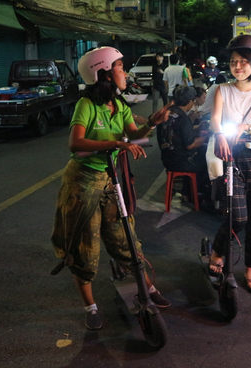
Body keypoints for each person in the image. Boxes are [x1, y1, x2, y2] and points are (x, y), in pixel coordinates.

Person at [51, 46, 173, 331]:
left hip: (110, 180)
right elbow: (76, 143)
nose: (124, 71)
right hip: (81, 182)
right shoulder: (86, 106)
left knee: (126, 239)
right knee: (85, 248)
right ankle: (90, 307)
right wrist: (116, 144)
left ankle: (147, 289)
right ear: (103, 73)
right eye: (119, 66)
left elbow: (133, 135)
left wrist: (151, 125)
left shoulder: (119, 105)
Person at [208, 34, 251, 294]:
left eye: (243, 62)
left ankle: (250, 269)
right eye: (234, 62)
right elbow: (215, 120)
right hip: (232, 157)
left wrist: (243, 126)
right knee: (237, 217)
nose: (238, 67)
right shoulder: (222, 90)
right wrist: (222, 134)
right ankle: (216, 251)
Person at [157, 85, 210, 201]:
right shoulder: (182, 118)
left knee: (199, 153)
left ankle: (187, 192)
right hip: (180, 161)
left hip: (167, 158)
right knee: (207, 161)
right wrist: (207, 137)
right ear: (190, 101)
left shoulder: (167, 113)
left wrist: (196, 130)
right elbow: (190, 144)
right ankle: (196, 194)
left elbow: (179, 134)